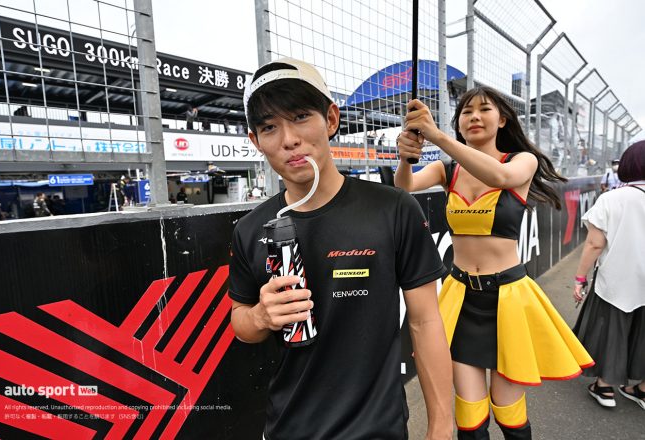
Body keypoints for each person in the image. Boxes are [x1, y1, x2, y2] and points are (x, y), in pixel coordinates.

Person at [229, 58, 453, 440]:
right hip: (288, 428)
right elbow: (241, 323)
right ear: (256, 141)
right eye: (269, 127)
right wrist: (262, 317)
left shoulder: (393, 209)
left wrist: (441, 428)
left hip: (378, 430)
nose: (288, 139)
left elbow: (425, 321)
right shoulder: (251, 229)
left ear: (331, 119)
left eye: (301, 116)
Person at [395, 86, 593, 439]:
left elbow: (499, 178)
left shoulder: (521, 161)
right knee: (469, 414)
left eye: (484, 109)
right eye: (466, 111)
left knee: (508, 410)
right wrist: (405, 157)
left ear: (502, 120)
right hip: (462, 298)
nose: (473, 116)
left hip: (508, 300)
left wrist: (438, 137)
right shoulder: (447, 169)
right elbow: (405, 187)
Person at [572, 141, 645, 410]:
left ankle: (604, 387)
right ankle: (641, 389)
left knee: (612, 329)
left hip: (617, 278)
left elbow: (594, 244)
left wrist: (580, 279)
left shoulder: (612, 198)